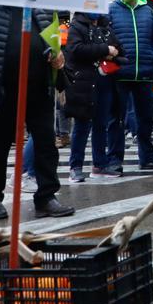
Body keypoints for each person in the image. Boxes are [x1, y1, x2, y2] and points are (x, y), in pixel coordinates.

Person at [0, 4, 74, 220]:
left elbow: (54, 40)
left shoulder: (41, 7)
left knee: (46, 143)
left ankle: (46, 197)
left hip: (39, 88)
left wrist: (57, 55)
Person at [106, 0, 153, 171]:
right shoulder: (111, 10)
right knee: (116, 119)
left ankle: (147, 157)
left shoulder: (147, 12)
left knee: (145, 119)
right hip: (119, 73)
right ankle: (115, 160)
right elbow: (105, 35)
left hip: (143, 73)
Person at [64, 12, 126, 182]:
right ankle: (75, 167)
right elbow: (76, 49)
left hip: (105, 82)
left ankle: (100, 164)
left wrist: (110, 53)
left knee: (101, 124)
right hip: (84, 83)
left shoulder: (105, 27)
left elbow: (119, 49)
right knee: (82, 125)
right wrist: (105, 50)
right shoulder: (77, 26)